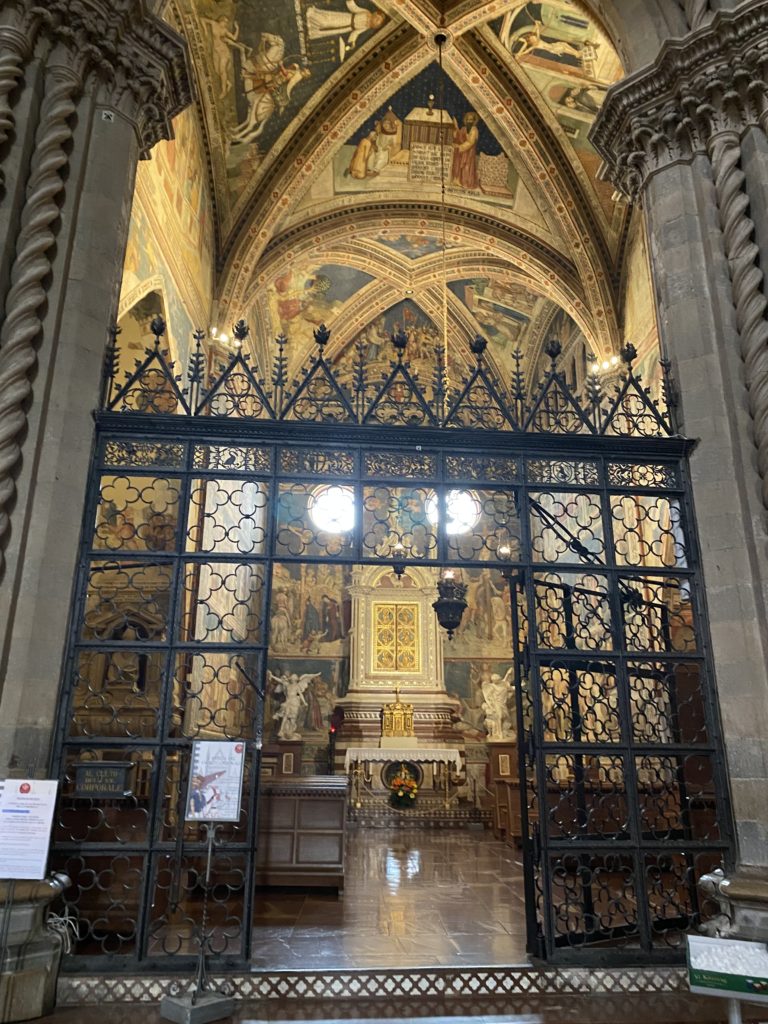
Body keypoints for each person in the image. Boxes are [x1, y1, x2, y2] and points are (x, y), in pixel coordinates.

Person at [306, 2, 386, 54]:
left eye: (378, 22)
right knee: (327, 20)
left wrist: (352, 42)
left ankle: (312, 28)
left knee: (329, 28)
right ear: (375, 14)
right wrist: (350, 2)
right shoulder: (366, 13)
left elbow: (356, 33)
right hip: (346, 18)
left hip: (347, 28)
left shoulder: (366, 27)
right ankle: (312, 16)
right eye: (377, 18)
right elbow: (355, 8)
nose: (376, 20)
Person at [268, 670, 319, 741]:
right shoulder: (287, 685)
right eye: (292, 678)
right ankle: (281, 731)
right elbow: (280, 681)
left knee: (293, 719)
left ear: (295, 680)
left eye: (294, 678)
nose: (292, 679)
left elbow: (300, 695)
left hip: (294, 702)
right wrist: (272, 676)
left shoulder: (297, 686)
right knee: (285, 715)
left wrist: (304, 702)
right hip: (288, 701)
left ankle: (290, 731)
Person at [482, 667, 515, 741]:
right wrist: (491, 704)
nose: (496, 681)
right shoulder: (492, 686)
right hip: (497, 704)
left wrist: (508, 673)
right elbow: (488, 696)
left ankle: (504, 730)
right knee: (499, 717)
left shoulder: (503, 684)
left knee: (506, 717)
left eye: (497, 680)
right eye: (495, 680)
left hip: (503, 704)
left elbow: (506, 680)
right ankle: (499, 733)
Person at [451, 112, 480, 190]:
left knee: (467, 167)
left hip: (469, 152)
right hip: (462, 152)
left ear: (474, 121)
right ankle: (458, 181)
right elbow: (458, 136)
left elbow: (471, 142)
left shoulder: (474, 130)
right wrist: (456, 127)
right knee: (459, 165)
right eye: (468, 119)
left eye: (471, 120)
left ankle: (466, 182)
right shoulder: (464, 128)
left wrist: (459, 147)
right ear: (465, 120)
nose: (469, 121)